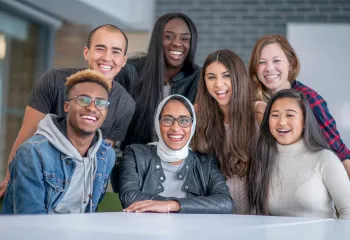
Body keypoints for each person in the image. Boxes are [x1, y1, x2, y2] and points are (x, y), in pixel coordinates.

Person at [0, 24, 136, 198]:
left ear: (124, 61)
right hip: (36, 176)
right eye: (100, 49)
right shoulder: (54, 81)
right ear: (86, 52)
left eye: (116, 52)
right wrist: (10, 179)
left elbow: (99, 157)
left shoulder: (125, 105)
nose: (107, 57)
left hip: (76, 189)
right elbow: (27, 134)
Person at [2, 69, 116, 214]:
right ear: (66, 106)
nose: (92, 108)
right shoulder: (33, 152)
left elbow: (91, 210)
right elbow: (31, 223)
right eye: (83, 99)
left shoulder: (105, 154)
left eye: (100, 102)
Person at [248, 34, 350, 177]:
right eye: (261, 62)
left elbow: (340, 152)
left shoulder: (309, 99)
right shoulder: (249, 100)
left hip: (304, 179)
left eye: (276, 60)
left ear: (291, 64)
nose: (269, 68)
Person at [118, 95, 233, 214]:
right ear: (158, 123)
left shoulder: (206, 163)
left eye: (183, 120)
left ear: (192, 125)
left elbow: (225, 202)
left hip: (192, 231)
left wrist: (172, 205)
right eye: (167, 119)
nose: (175, 128)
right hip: (146, 230)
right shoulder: (135, 154)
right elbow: (129, 197)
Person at [247, 89, 350, 219]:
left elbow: (348, 212)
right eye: (275, 115)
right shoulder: (262, 157)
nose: (282, 122)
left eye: (290, 115)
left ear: (305, 121)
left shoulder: (325, 158)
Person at [116, 12, 201, 147]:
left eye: (185, 39)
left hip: (179, 163)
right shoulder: (130, 71)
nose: (177, 43)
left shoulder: (199, 79)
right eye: (168, 37)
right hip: (134, 160)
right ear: (157, 39)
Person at [191, 50, 256, 214]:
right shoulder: (196, 115)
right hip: (214, 215)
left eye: (226, 75)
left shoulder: (258, 115)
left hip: (256, 216)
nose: (218, 84)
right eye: (211, 77)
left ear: (239, 77)